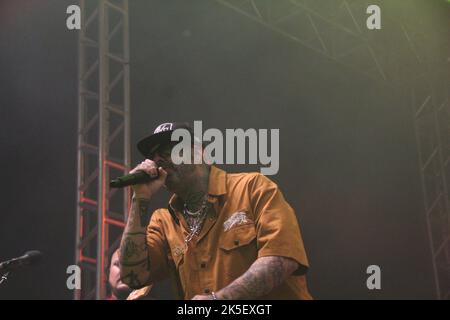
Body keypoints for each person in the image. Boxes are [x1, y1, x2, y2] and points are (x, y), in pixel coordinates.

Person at [119, 122, 312, 300]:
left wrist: (220, 299)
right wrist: (139, 198)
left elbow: (283, 258)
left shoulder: (252, 188)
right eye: (153, 156)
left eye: (168, 150)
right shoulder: (164, 222)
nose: (158, 160)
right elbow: (133, 276)